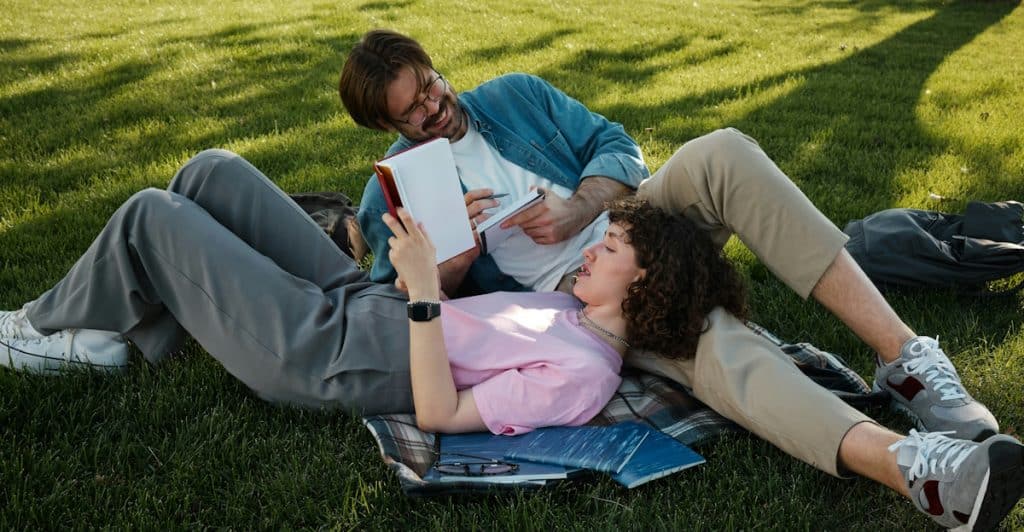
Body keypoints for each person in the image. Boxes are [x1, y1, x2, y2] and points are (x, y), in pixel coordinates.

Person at [338, 29, 1023, 529]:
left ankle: (905, 360)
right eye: (413, 112)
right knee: (716, 343)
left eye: (430, 85)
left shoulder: (514, 97)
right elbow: (406, 305)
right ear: (387, 127)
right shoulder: (394, 194)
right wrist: (453, 260)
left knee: (722, 153)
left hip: (630, 223)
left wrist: (579, 206)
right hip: (581, 306)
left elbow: (618, 147)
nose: (434, 107)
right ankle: (919, 472)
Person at [0, 152, 745, 436]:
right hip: (366, 303)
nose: (592, 250)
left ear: (644, 280)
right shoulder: (569, 310)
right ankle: (133, 339)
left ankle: (39, 328)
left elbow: (439, 412)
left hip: (332, 355)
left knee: (151, 215)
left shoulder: (583, 374)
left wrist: (422, 292)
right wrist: (448, 254)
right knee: (208, 174)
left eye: (608, 248)